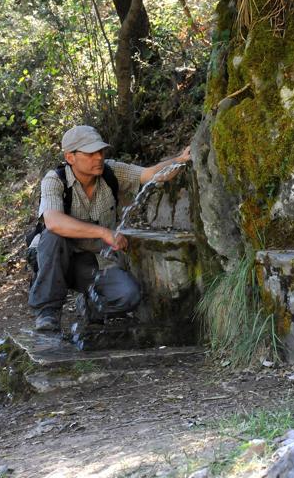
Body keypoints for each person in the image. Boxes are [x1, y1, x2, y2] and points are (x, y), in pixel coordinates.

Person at [29, 125, 191, 331]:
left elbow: (151, 174)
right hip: (55, 259)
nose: (98, 158)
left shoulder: (111, 172)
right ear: (70, 157)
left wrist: (179, 160)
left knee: (128, 295)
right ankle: (47, 312)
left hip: (92, 261)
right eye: (90, 153)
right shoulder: (55, 180)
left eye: (101, 151)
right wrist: (104, 232)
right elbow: (53, 222)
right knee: (54, 236)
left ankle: (92, 306)